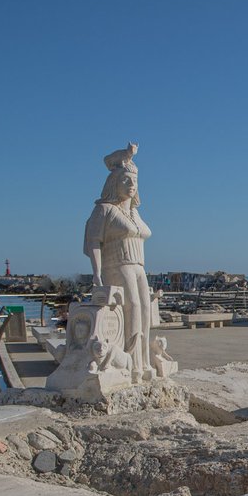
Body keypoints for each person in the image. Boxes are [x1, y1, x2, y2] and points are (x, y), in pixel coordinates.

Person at [83, 143, 155, 380]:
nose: (131, 185)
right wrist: (96, 274)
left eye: (134, 180)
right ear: (114, 183)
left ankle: (143, 363)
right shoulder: (104, 210)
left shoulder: (135, 213)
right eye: (126, 180)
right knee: (132, 307)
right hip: (117, 265)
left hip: (138, 266)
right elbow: (93, 241)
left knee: (146, 311)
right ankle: (130, 365)